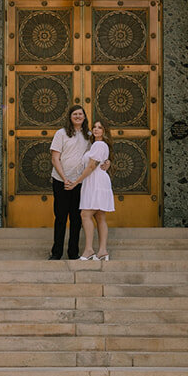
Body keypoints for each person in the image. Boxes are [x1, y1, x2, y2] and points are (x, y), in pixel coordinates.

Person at [48, 105, 90, 261]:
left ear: (84, 117)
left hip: (80, 183)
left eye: (80, 114)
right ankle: (56, 252)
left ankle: (73, 252)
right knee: (60, 217)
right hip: (61, 181)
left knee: (76, 218)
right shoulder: (61, 133)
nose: (78, 116)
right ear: (70, 117)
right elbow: (55, 158)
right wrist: (65, 178)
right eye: (75, 114)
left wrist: (106, 162)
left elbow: (94, 158)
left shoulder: (89, 135)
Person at [77, 120, 115, 262]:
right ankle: (103, 251)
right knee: (100, 216)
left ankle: (89, 250)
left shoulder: (99, 144)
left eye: (100, 127)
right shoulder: (97, 144)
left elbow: (92, 166)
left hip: (96, 181)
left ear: (105, 130)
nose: (96, 129)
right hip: (97, 180)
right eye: (94, 127)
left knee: (85, 214)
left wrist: (77, 181)